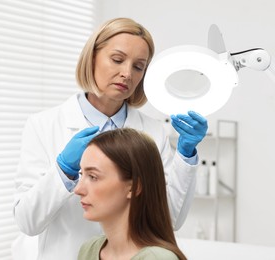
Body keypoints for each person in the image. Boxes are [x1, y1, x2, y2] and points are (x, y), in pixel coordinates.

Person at [12, 17, 208, 260]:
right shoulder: (44, 125)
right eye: (117, 59)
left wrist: (185, 155)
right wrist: (63, 172)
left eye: (138, 66)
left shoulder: (153, 131)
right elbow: (28, 222)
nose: (126, 73)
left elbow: (169, 219)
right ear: (92, 57)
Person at [75, 128, 187, 260]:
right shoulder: (89, 249)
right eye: (82, 174)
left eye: (93, 177)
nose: (78, 189)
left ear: (133, 187)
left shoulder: (157, 258)